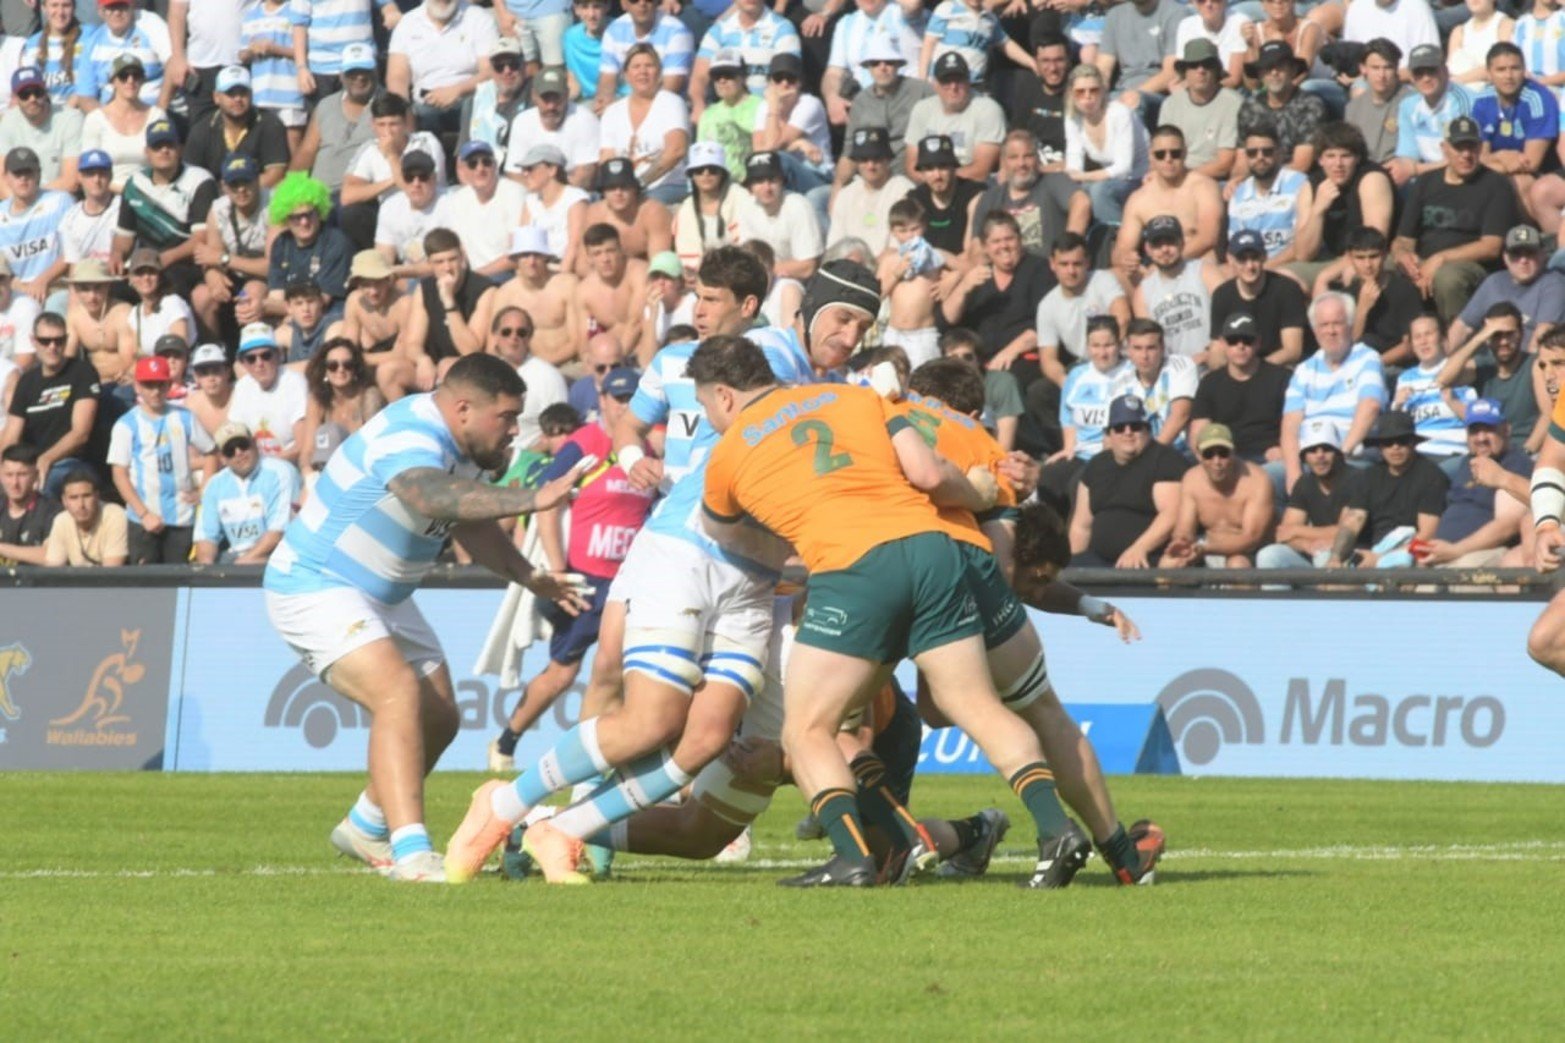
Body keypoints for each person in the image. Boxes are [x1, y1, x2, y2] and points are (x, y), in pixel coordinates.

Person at [444, 257, 864, 886]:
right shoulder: (777, 350)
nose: (850, 335)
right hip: (687, 552)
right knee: (648, 717)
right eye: (844, 317)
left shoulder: (825, 388)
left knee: (706, 737)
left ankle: (565, 831)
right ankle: (501, 804)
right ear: (803, 313)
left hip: (753, 579)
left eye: (864, 325)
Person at [264, 353, 593, 883]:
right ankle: (413, 854)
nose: (513, 429)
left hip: (382, 596)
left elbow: (467, 520)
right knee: (398, 693)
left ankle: (365, 824)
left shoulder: (465, 448)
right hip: (317, 584)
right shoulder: (412, 431)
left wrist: (530, 576)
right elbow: (428, 493)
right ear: (463, 408)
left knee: (440, 716)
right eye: (506, 417)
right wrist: (535, 497)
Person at [489, 366, 657, 770]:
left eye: (634, 398)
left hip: (630, 582)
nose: (625, 406)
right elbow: (548, 501)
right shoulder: (587, 443)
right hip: (585, 576)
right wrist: (558, 567)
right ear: (601, 401)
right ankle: (506, 743)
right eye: (618, 398)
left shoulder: (648, 451)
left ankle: (606, 755)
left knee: (620, 670)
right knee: (563, 673)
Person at [1391, 115, 1519, 324]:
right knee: (1376, 265)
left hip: (1470, 266)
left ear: (1480, 148)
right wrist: (1403, 255)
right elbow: (1404, 238)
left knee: (1447, 278)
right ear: (1445, 148)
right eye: (1459, 148)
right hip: (1424, 260)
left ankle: (1457, 343)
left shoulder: (1496, 185)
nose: (1466, 155)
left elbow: (1491, 247)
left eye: (1472, 147)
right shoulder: (1425, 183)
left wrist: (1440, 259)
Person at [106, 354, 214, 564]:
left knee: (179, 581)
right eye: (149, 385)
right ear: (137, 387)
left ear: (168, 386)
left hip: (181, 517)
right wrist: (144, 513)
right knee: (147, 586)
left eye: (160, 385)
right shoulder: (127, 424)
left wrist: (203, 490)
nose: (155, 391)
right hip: (143, 520)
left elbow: (211, 452)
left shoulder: (184, 417)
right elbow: (119, 474)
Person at [1280, 292, 1387, 491]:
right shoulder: (1304, 370)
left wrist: (1340, 456)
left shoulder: (1367, 358)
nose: (1331, 331)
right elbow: (1290, 425)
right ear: (1314, 330)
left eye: (1337, 323)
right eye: (1324, 325)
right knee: (1266, 479)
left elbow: (1370, 406)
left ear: (1350, 325)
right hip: (1308, 459)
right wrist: (1293, 472)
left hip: (1351, 457)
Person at [1069, 393, 1188, 567]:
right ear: (1108, 434)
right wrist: (1073, 566)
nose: (1128, 432)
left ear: (1148, 430)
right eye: (1119, 427)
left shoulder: (1165, 460)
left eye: (1135, 426)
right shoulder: (1096, 466)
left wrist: (1139, 548)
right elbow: (1081, 527)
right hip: (1097, 561)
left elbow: (1171, 514)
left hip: (1148, 558)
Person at [941, 211, 1054, 386]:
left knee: (1004, 381)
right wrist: (963, 287)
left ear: (1019, 239)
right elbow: (947, 320)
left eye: (1009, 239)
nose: (1004, 246)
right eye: (996, 241)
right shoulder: (979, 276)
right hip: (980, 360)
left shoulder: (1039, 269)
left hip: (1023, 358)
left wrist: (1009, 353)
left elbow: (1044, 325)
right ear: (985, 247)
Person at [1326, 411, 1449, 568]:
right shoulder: (1369, 476)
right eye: (1388, 442)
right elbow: (1353, 521)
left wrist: (1380, 559)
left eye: (1402, 441)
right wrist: (1335, 558)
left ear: (1413, 443)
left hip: (1411, 557)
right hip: (1369, 552)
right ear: (1380, 447)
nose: (1395, 447)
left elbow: (1427, 535)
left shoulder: (1432, 477)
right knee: (1329, 578)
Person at [113, 118, 216, 301]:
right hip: (146, 264)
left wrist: (166, 258)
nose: (164, 151)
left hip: (186, 264)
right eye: (157, 147)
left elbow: (201, 238)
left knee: (170, 290)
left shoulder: (199, 181)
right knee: (113, 291)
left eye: (170, 145)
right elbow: (124, 237)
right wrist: (118, 254)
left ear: (180, 149)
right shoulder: (135, 184)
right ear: (147, 152)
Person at [1421, 399, 1531, 568]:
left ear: (1506, 429)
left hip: (1480, 555)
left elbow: (1508, 525)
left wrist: (1456, 550)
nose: (1481, 438)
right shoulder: (1467, 463)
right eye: (1474, 431)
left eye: (1489, 429)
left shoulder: (1515, 464)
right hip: (1442, 555)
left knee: (1459, 576)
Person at [0, 311, 98, 496]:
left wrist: (47, 458)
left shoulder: (82, 372)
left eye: (59, 341)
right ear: (33, 341)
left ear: (66, 340)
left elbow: (80, 433)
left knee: (45, 486)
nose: (52, 347)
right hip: (29, 465)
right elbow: (11, 435)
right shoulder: (26, 381)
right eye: (45, 341)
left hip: (69, 462)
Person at [1042, 315, 1131, 512]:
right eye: (1096, 346)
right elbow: (1067, 414)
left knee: (1079, 485)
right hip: (1082, 452)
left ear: (1119, 344)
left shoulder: (1131, 373)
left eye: (1108, 345)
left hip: (1112, 454)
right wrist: (1068, 447)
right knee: (1048, 478)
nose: (1102, 353)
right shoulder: (1077, 375)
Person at [1436, 302, 1545, 455]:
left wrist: (1526, 453)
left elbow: (1548, 415)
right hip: (1488, 452)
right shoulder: (1484, 365)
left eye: (1510, 334)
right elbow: (1442, 379)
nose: (1504, 342)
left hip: (1526, 452)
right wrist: (1479, 338)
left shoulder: (1535, 365)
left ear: (1521, 333)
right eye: (1496, 335)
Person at [1160, 423, 1274, 568]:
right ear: (1199, 456)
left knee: (1238, 566)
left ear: (1233, 452)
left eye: (1223, 453)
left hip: (1247, 553)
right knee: (1168, 563)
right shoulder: (1191, 479)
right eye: (1209, 454)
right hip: (1205, 548)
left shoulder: (1257, 480)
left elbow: (1251, 539)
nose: (1217, 461)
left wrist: (1204, 548)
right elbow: (1184, 528)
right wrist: (1182, 543)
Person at [1115, 125, 1224, 272]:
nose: (1168, 159)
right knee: (1118, 274)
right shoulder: (1139, 199)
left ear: (1185, 153)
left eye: (1175, 153)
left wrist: (1169, 263)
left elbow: (1208, 237)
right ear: (1151, 156)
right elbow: (1122, 249)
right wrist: (1127, 260)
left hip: (1194, 263)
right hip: (1155, 269)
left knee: (1209, 258)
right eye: (1160, 154)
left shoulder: (1204, 187)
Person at [1191, 312, 1290, 472]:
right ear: (1223, 343)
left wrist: (1285, 450)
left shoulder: (1281, 378)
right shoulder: (1210, 383)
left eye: (1247, 340)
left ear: (1258, 342)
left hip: (1271, 458)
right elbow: (1199, 431)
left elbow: (1294, 423)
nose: (1240, 345)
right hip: (1224, 457)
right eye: (1233, 340)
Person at [386, 0, 500, 138]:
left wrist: (456, 91)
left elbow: (490, 72)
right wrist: (404, 114)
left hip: (470, 103)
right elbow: (397, 77)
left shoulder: (480, 19)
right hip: (424, 107)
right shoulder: (407, 23)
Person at [194, 419, 301, 565]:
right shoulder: (214, 485)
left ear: (254, 444)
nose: (238, 453)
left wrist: (239, 567)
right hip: (235, 557)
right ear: (223, 458)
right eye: (230, 450)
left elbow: (278, 532)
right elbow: (205, 537)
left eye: (243, 445)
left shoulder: (281, 472)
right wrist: (207, 571)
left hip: (277, 554)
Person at [1257, 416, 1357, 569]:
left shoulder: (1355, 479)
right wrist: (1306, 545)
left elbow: (1345, 531)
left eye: (1326, 449)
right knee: (1269, 555)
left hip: (1351, 553)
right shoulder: (1304, 483)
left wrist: (1298, 531)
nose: (1319, 456)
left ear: (1337, 453)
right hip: (1314, 551)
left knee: (1325, 559)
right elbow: (1283, 534)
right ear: (1304, 457)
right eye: (1312, 450)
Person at [598, 43, 691, 208]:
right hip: (624, 189)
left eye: (649, 66)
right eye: (636, 67)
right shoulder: (612, 112)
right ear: (626, 75)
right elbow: (607, 157)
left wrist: (640, 183)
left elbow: (676, 150)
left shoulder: (671, 103)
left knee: (647, 205)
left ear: (659, 72)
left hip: (666, 186)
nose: (643, 72)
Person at [974, 128, 1088, 260]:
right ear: (1004, 162)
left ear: (1038, 158)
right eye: (1013, 157)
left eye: (1028, 156)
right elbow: (977, 246)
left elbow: (1082, 203)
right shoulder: (990, 198)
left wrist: (1067, 250)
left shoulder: (1054, 181)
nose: (1021, 163)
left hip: (1047, 270)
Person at [1035, 232, 1130, 390]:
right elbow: (1048, 359)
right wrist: (1065, 382)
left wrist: (1107, 355)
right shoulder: (1047, 305)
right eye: (1064, 264)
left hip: (1118, 358)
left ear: (1087, 262)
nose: (1071, 271)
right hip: (1083, 366)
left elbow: (1122, 317)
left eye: (1077, 264)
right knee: (1039, 392)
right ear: (1052, 264)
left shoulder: (1102, 279)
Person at [1472, 42, 1557, 218]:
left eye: (1515, 68)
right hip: (1499, 168)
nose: (1509, 76)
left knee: (1520, 182)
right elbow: (1480, 156)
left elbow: (1531, 163)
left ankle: (1531, 238)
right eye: (1501, 70)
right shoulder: (1482, 100)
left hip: (1542, 173)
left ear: (1524, 69)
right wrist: (1501, 156)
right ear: (1489, 73)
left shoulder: (1538, 99)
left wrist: (1491, 161)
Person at [1450, 224, 1565, 354]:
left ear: (1543, 254)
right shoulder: (1494, 282)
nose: (1523, 260)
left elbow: (1540, 341)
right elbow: (1462, 327)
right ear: (1505, 258)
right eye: (1516, 254)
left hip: (1525, 362)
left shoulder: (1554, 284)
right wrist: (1443, 362)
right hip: (1490, 361)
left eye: (1530, 253)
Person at [192, 153, 269, 340]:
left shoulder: (273, 206)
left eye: (247, 182)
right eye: (234, 184)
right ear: (224, 187)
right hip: (234, 275)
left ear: (257, 180)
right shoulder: (218, 210)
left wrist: (223, 259)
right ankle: (214, 353)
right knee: (202, 296)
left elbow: (270, 267)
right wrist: (212, 276)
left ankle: (253, 351)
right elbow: (209, 257)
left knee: (251, 294)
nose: (241, 190)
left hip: (264, 278)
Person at [1061, 62, 1147, 228]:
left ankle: (1114, 240)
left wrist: (1083, 177)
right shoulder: (1072, 117)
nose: (1088, 96)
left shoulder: (1119, 113)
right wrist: (1073, 178)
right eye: (1080, 92)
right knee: (1074, 194)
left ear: (1102, 91)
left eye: (1094, 90)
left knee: (1099, 192)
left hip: (1138, 177)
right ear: (1071, 94)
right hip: (1108, 178)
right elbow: (1074, 160)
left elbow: (1123, 168)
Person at [836, 35, 931, 181]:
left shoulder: (922, 90)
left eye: (889, 62)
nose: (883, 67)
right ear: (868, 67)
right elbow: (849, 152)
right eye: (875, 63)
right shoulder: (860, 101)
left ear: (898, 64)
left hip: (912, 179)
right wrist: (837, 191)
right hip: (869, 179)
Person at [1130, 216, 1223, 365]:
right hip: (1173, 371)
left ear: (1182, 243)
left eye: (1170, 242)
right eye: (1157, 245)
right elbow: (1147, 340)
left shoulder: (1205, 271)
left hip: (1214, 362)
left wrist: (1210, 352)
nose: (1165, 249)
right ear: (1148, 249)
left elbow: (1229, 313)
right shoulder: (1142, 293)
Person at [1210, 228, 1309, 366]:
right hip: (1240, 367)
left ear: (1264, 256)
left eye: (1254, 257)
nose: (1250, 266)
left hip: (1280, 367)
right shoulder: (1222, 295)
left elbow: (1292, 351)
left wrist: (1255, 371)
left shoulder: (1286, 289)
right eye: (1242, 259)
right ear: (1230, 260)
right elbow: (1217, 351)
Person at [1322, 227, 1420, 365]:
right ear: (1350, 258)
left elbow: (1410, 345)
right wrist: (1362, 310)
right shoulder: (1346, 295)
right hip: (1356, 366)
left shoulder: (1404, 290)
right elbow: (1345, 346)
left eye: (1373, 256)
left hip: (1394, 366)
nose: (1368, 265)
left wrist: (1374, 364)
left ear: (1385, 255)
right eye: (1360, 258)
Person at [180, 66, 289, 189]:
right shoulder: (201, 130)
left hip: (260, 197)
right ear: (216, 97)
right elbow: (191, 177)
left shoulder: (270, 124)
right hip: (215, 197)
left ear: (251, 94)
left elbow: (276, 174)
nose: (238, 99)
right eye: (230, 93)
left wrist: (238, 190)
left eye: (243, 92)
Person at [903, 53, 1005, 183]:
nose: (953, 87)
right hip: (929, 187)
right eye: (946, 81)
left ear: (969, 81)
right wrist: (935, 183)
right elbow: (911, 165)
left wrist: (940, 179)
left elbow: (980, 171)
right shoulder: (922, 109)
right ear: (935, 84)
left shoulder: (988, 109)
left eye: (959, 80)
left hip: (971, 188)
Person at [294, 41, 380, 196]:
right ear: (341, 75)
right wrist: (288, 189)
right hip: (320, 197)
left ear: (375, 72)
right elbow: (306, 152)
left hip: (362, 197)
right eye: (352, 72)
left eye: (364, 71)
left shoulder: (390, 106)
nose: (359, 77)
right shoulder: (325, 105)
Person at [1393, 314, 1476, 471]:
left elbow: (1475, 420)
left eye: (1429, 334)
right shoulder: (1405, 378)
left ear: (1443, 338)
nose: (1423, 341)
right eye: (1417, 337)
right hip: (1416, 454)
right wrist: (1398, 404)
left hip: (1452, 452)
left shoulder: (1459, 370)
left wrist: (1453, 402)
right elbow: (1397, 425)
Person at [437, 139, 528, 279]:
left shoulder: (514, 193)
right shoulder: (457, 200)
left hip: (506, 274)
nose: (480, 168)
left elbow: (516, 254)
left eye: (486, 162)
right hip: (472, 275)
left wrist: (475, 277)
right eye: (473, 164)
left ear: (495, 166)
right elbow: (459, 248)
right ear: (462, 170)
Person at [1388, 43, 1476, 187]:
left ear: (1445, 71)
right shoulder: (1408, 106)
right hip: (1427, 178)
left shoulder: (1466, 101)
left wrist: (1416, 169)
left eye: (1432, 71)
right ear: (1411, 77)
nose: (1426, 78)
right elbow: (1408, 156)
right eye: (1419, 73)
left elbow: (1465, 158)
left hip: (1464, 179)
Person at [1227, 123, 1311, 267]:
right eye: (1252, 153)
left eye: (1267, 151)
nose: (1260, 157)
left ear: (1279, 153)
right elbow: (1233, 247)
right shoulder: (1239, 193)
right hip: (1249, 267)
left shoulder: (1300, 184)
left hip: (1289, 264)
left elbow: (1302, 244)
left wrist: (1266, 267)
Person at [504, 67, 599, 191]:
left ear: (567, 95)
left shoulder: (585, 119)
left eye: (556, 98)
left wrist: (554, 198)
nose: (551, 106)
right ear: (534, 96)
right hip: (532, 197)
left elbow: (585, 176)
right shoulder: (522, 122)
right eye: (546, 98)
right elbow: (514, 174)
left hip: (574, 198)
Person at [1235, 42, 1325, 174]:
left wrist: (1265, 180)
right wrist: (1237, 180)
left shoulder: (1311, 105)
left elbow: (1301, 165)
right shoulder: (1250, 107)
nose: (1274, 72)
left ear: (1293, 70)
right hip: (1257, 179)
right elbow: (1242, 159)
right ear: (1260, 74)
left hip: (1296, 181)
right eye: (1267, 68)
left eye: (1280, 67)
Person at [734, 150, 823, 282]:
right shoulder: (746, 207)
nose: (767, 188)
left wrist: (760, 271)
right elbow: (746, 258)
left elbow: (808, 267)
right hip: (761, 282)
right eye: (759, 181)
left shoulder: (798, 206)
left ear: (782, 181)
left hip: (798, 283)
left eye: (772, 180)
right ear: (750, 187)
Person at [488, 304, 568, 449]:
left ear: (530, 337)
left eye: (521, 332)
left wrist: (521, 459)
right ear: (495, 336)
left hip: (530, 460)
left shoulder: (548, 376)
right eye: (506, 332)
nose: (514, 337)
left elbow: (560, 434)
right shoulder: (483, 374)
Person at [875, 197, 943, 368]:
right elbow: (878, 294)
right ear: (893, 231)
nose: (910, 235)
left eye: (914, 229)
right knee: (890, 380)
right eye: (903, 230)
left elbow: (961, 268)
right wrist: (897, 273)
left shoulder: (933, 256)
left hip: (923, 334)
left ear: (924, 227)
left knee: (924, 382)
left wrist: (950, 281)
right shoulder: (890, 260)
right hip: (894, 333)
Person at [229, 322, 309, 466]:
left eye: (266, 356)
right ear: (243, 363)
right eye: (251, 358)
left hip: (291, 466)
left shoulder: (295, 383)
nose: (259, 363)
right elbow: (234, 438)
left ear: (278, 356)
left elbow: (302, 444)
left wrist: (266, 465)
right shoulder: (242, 387)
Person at [0, 145, 73, 304]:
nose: (23, 179)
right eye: (17, 173)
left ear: (38, 173)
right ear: (6, 177)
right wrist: (15, 284)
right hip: (11, 290)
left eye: (28, 172)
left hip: (56, 285)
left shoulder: (60, 201)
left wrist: (43, 280)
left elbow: (71, 251)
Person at [298, 336, 386, 467]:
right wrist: (308, 476)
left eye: (348, 365)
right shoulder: (317, 399)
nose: (340, 369)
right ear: (325, 370)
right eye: (333, 365)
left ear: (355, 369)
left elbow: (378, 447)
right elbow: (307, 451)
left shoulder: (370, 396)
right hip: (329, 471)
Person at [1159, 40, 1241, 180]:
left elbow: (1224, 163)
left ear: (1216, 71)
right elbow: (1161, 152)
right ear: (1185, 72)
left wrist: (1186, 178)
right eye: (1194, 65)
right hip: (1175, 176)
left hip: (1214, 180)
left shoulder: (1233, 103)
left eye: (1207, 65)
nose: (1201, 70)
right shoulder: (1170, 104)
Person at [1112, 317, 1198, 450]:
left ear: (1162, 347)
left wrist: (1151, 457)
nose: (1144, 356)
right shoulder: (1121, 381)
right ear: (1128, 349)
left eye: (1151, 348)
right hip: (1139, 455)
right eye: (1137, 348)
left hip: (1180, 453)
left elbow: (1181, 415)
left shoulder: (1181, 365)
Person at [0, 64, 83, 198]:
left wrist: (31, 200)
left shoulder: (70, 119)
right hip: (18, 202)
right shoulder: (8, 121)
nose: (32, 99)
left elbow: (71, 181)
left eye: (37, 92)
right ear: (15, 97)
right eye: (25, 94)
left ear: (45, 91)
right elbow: (1, 179)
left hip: (59, 200)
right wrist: (19, 206)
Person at [571, 222, 649, 362]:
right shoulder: (584, 291)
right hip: (606, 360)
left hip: (641, 352)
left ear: (621, 250)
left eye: (610, 251)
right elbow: (583, 340)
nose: (605, 259)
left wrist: (616, 362)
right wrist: (590, 366)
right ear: (589, 258)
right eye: (597, 253)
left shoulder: (638, 273)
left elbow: (636, 323)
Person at [1096, 0, 1183, 117]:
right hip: (1121, 92)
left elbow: (1171, 73)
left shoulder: (1175, 13)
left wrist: (1134, 94)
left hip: (1158, 95)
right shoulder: (1115, 16)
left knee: (1134, 102)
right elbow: (1103, 69)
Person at [595, 0, 693, 103]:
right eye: (634, 0)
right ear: (624, 3)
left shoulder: (677, 32)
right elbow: (606, 84)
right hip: (621, 104)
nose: (642, 3)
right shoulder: (613, 31)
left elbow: (670, 90)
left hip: (665, 106)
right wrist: (606, 104)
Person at [581, 157, 673, 266]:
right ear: (603, 192)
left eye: (624, 187)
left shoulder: (653, 212)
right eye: (611, 188)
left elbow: (660, 266)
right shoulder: (594, 214)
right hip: (606, 276)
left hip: (646, 276)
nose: (618, 193)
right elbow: (583, 264)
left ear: (634, 189)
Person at [905, 133, 983, 257]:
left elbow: (970, 253)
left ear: (954, 167)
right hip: (924, 269)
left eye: (942, 167)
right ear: (922, 172)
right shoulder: (914, 199)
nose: (937, 176)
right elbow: (907, 249)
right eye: (929, 169)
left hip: (964, 269)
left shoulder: (973, 194)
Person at [457, 37, 529, 170]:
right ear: (491, 70)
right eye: (499, 66)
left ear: (524, 66)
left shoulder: (534, 97)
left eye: (513, 64)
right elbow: (462, 160)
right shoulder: (473, 103)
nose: (507, 71)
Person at [373, 151, 445, 280]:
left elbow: (445, 263)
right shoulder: (389, 207)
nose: (416, 183)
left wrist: (399, 271)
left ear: (434, 179)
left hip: (440, 277)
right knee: (356, 297)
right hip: (404, 278)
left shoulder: (450, 203)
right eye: (409, 177)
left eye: (423, 177)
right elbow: (383, 258)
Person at [673, 140, 741, 270]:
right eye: (699, 170)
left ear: (722, 173)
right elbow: (687, 257)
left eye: (713, 169)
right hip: (701, 275)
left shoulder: (740, 196)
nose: (706, 174)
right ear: (692, 175)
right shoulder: (686, 210)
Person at [1344, 38, 1409, 165]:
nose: (1382, 75)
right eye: (1375, 68)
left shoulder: (1412, 103)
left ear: (1396, 68)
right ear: (1363, 69)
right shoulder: (1353, 108)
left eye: (1388, 68)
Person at [42, 470, 125, 567]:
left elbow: (112, 572)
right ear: (64, 501)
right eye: (73, 498)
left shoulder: (114, 515)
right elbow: (54, 569)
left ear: (97, 496)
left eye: (86, 496)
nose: (81, 505)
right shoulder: (61, 521)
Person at [123, 246, 194, 361]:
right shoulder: (134, 314)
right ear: (130, 279)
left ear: (160, 277)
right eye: (139, 273)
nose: (146, 278)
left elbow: (178, 353)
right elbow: (137, 356)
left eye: (151, 272)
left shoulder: (173, 303)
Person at [57, 149, 117, 269]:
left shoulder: (123, 208)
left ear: (111, 175)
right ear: (79, 177)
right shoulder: (70, 218)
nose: (97, 180)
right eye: (90, 174)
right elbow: (73, 264)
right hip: (86, 281)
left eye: (102, 173)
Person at [0, 443, 60, 565]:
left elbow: (51, 556)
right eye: (9, 475)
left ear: (36, 476)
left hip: (36, 582)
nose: (14, 483)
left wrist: (2, 549)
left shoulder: (51, 511)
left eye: (22, 475)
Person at [566, 331, 628, 419]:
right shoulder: (579, 391)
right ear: (589, 364)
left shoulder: (636, 389)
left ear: (623, 363)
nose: (608, 373)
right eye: (601, 368)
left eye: (615, 367)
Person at [184, 342, 234, 441]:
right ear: (196, 377)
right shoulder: (191, 407)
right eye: (204, 373)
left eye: (216, 371)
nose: (211, 378)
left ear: (228, 372)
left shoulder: (240, 397)